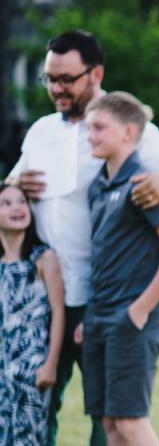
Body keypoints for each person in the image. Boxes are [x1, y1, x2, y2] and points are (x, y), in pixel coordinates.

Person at [5, 30, 159, 446]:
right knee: (34, 409)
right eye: (49, 79)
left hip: (104, 298)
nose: (56, 89)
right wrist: (16, 183)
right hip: (46, 299)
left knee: (111, 419)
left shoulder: (125, 125)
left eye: (66, 79)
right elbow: (8, 200)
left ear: (96, 73)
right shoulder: (41, 132)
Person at [80, 92, 159, 446]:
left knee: (131, 423)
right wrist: (91, 318)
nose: (91, 136)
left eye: (100, 127)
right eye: (89, 128)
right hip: (100, 317)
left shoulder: (143, 184)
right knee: (111, 424)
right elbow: (100, 257)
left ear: (129, 133)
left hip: (133, 317)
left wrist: (139, 309)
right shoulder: (98, 186)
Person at [0, 184, 65, 446]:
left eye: (22, 201)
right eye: (6, 203)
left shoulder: (43, 259)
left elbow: (59, 313)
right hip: (2, 367)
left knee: (29, 439)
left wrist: (50, 365)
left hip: (31, 368)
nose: (17, 207)